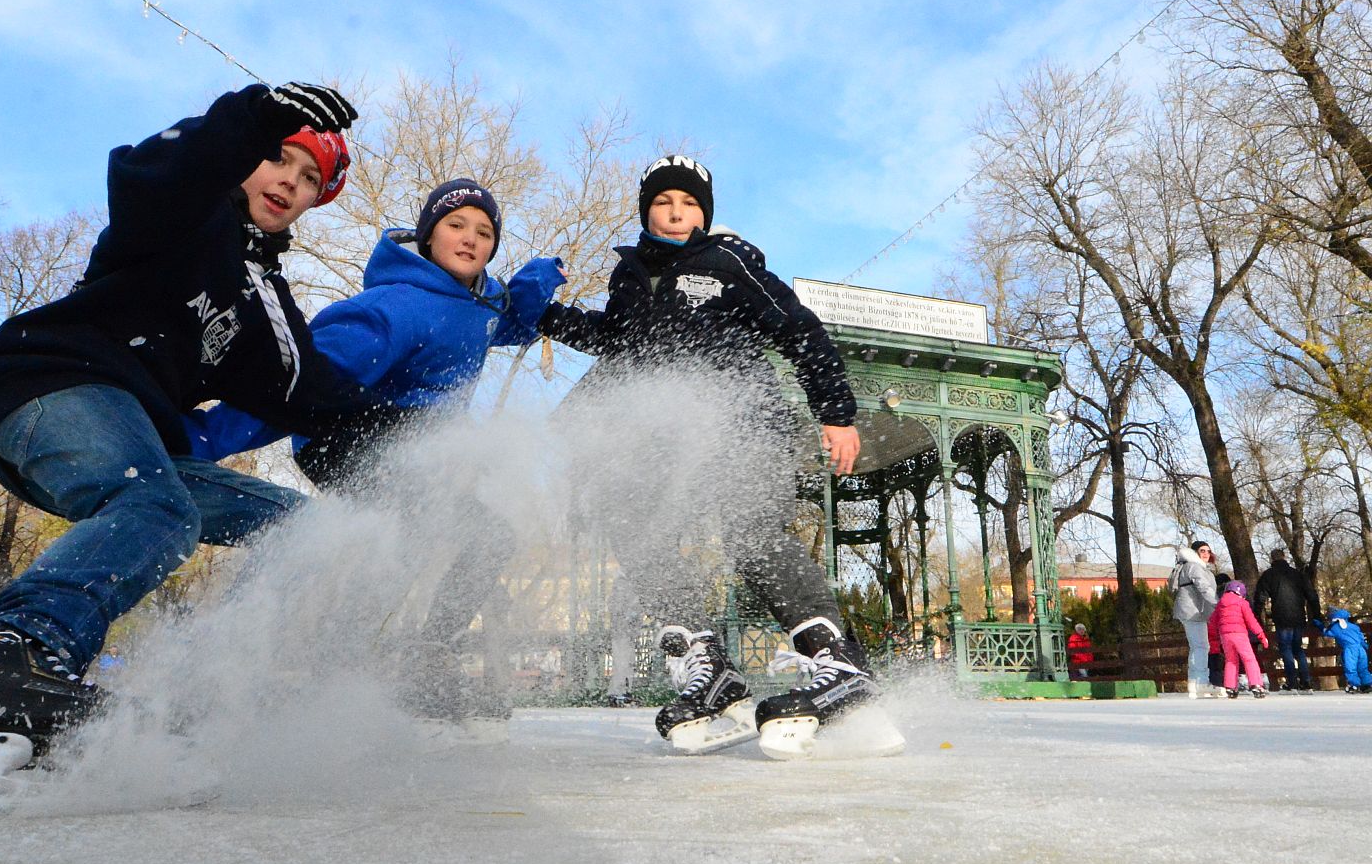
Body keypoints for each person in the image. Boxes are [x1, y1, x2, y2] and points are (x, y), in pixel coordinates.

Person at [0, 82, 363, 819]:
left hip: (135, 443)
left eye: (308, 180)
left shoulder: (260, 295)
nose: (289, 184)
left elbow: (308, 388)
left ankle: (190, 700)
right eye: (279, 160)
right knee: (157, 507)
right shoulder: (189, 210)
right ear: (248, 157)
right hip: (50, 379)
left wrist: (409, 436)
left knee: (306, 530)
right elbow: (149, 175)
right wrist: (249, 118)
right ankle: (5, 661)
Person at [537, 153, 898, 761]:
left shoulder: (726, 263)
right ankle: (709, 667)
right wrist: (539, 313)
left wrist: (836, 413)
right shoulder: (629, 276)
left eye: (688, 205)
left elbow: (797, 329)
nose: (676, 214)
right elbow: (617, 343)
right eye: (663, 203)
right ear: (646, 211)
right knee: (635, 526)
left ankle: (837, 661)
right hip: (664, 439)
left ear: (703, 214)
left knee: (748, 530)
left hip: (745, 422)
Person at [182, 179, 564, 737]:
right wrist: (203, 438)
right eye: (456, 225)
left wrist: (532, 286)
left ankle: (416, 657)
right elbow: (301, 384)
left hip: (412, 455)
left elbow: (500, 326)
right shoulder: (394, 307)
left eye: (484, 233)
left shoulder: (475, 302)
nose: (470, 239)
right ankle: (314, 669)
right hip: (345, 440)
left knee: (483, 539)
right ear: (429, 234)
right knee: (407, 532)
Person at [1252, 548, 1322, 692]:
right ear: (1284, 557)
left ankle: (1292, 682)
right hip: (1298, 617)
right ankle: (1306, 682)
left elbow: (1260, 597)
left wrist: (1257, 616)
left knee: (1286, 648)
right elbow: (1311, 595)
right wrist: (1316, 615)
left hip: (1281, 617)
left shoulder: (1269, 575)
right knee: (1298, 649)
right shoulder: (1298, 575)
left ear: (1272, 559)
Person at [1168, 541, 1221, 699]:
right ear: (1194, 552)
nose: (1206, 554)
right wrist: (1219, 605)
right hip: (1193, 612)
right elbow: (1204, 588)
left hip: (1193, 611)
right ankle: (1201, 683)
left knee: (1197, 646)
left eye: (1208, 551)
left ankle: (1194, 682)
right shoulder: (1194, 567)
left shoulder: (1190, 566)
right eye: (1202, 550)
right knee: (1201, 646)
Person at [1209, 580, 1269, 698]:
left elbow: (1212, 622)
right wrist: (1261, 634)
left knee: (1231, 661)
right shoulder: (1242, 603)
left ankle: (1230, 686)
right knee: (1249, 659)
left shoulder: (1220, 604)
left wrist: (1213, 639)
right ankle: (1256, 684)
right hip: (1239, 634)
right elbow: (1251, 621)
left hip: (1225, 636)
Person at [1320, 609, 1369, 694]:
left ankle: (1354, 685)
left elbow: (1328, 633)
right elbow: (1361, 638)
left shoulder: (1336, 627)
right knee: (1363, 667)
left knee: (1351, 667)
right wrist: (1365, 646)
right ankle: (1367, 684)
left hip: (1350, 649)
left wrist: (1321, 627)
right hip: (1361, 649)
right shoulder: (1354, 626)